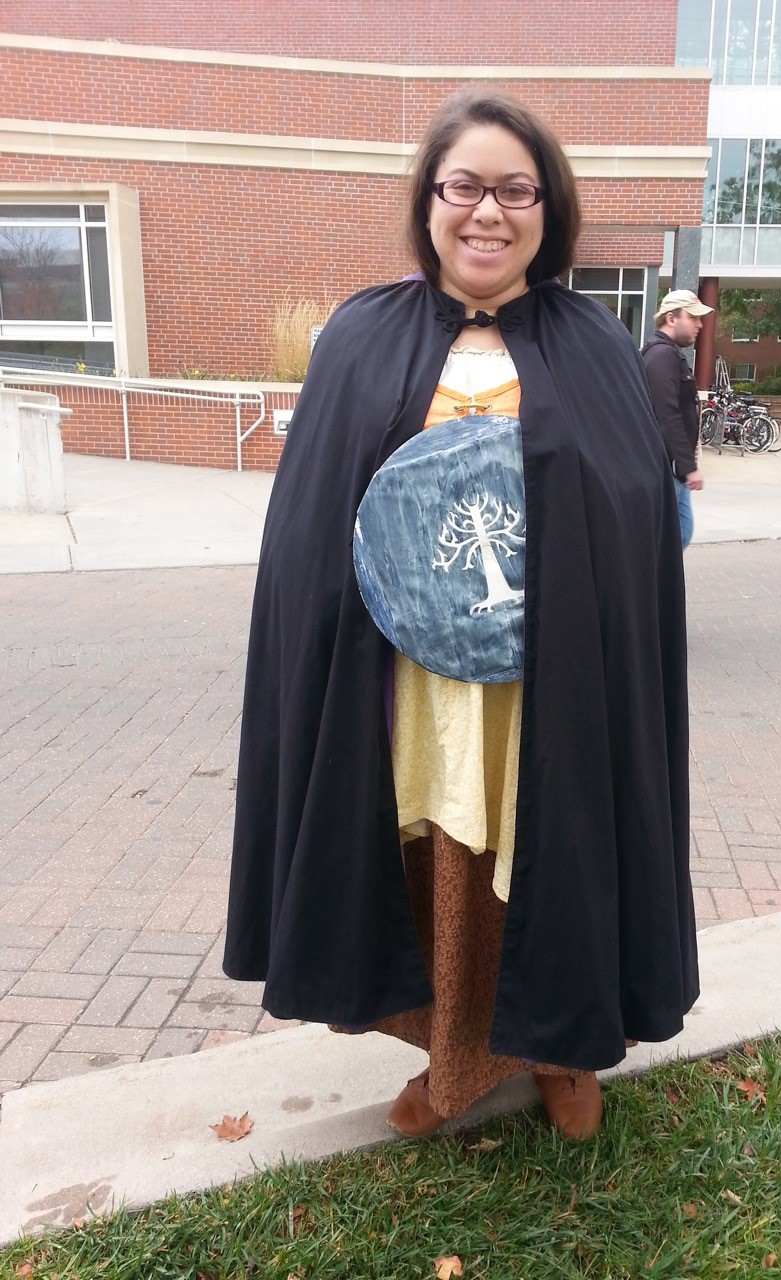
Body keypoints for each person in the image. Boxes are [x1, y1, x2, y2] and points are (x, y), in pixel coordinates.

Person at [223, 88, 698, 1142]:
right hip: (409, 681)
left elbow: (629, 517)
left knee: (554, 850)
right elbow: (307, 533)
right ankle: (455, 1057)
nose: (489, 211)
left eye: (515, 189)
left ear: (548, 207)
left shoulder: (594, 344)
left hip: (551, 679)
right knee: (437, 861)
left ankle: (558, 1045)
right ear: (432, 200)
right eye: (466, 185)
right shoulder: (360, 335)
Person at [640, 288, 714, 550]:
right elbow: (666, 415)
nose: (699, 324)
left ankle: (654, 584)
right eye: (693, 317)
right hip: (667, 468)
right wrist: (687, 466)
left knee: (677, 534)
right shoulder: (661, 356)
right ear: (671, 319)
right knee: (674, 536)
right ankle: (651, 586)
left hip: (672, 469)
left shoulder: (665, 354)